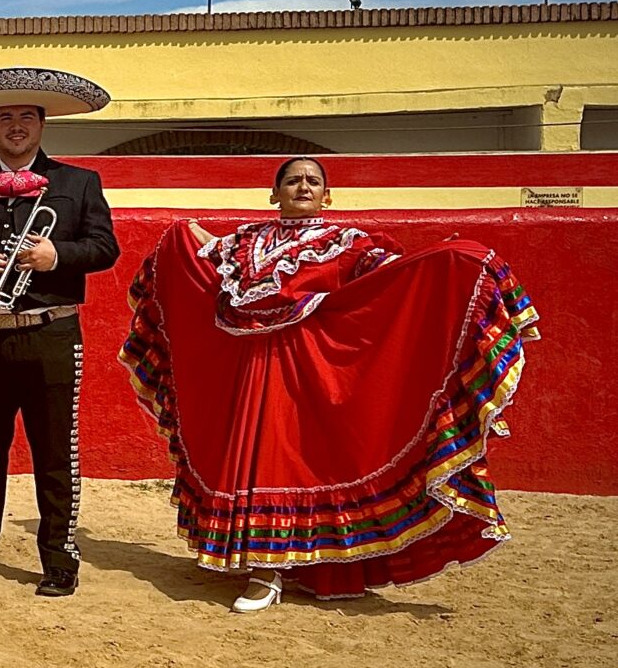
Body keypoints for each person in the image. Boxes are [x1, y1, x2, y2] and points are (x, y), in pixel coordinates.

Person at [122, 155, 541, 611]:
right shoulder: (244, 243)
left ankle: (297, 568)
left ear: (328, 195)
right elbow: (199, 249)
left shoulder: (350, 245)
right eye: (292, 180)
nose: (303, 186)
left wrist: (452, 262)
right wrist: (185, 234)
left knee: (304, 466)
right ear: (273, 193)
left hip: (310, 377)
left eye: (313, 181)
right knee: (262, 463)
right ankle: (265, 569)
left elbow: (392, 283)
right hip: (252, 376)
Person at [0, 68, 122, 598]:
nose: (16, 126)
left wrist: (58, 254)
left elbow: (105, 248)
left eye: (26, 117)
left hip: (51, 334)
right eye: (6, 117)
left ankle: (59, 557)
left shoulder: (79, 183)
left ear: (41, 124)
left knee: (55, 452)